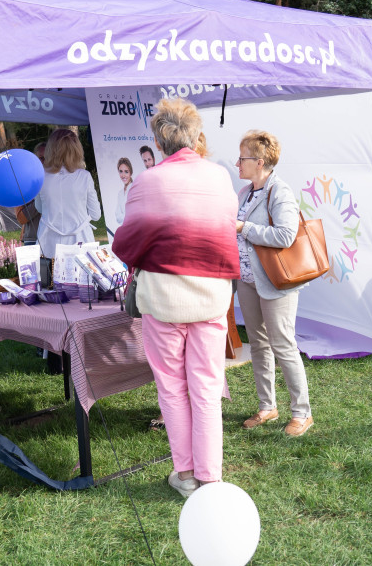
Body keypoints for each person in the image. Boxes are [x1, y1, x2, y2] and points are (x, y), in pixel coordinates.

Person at [112, 98, 239, 498]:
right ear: (195, 134)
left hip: (165, 299)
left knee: (171, 387)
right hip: (211, 298)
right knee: (206, 386)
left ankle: (185, 475)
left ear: (158, 138)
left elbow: (126, 244)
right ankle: (210, 476)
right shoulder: (219, 177)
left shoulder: (147, 182)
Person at [233, 130, 314, 437]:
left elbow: (285, 235)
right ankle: (267, 406)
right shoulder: (244, 193)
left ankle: (302, 413)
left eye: (242, 158)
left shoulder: (279, 191)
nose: (237, 163)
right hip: (247, 281)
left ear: (260, 161)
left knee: (283, 344)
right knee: (258, 344)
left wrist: (244, 227)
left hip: (275, 281)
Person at [34, 130, 101, 257]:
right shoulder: (84, 177)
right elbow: (96, 215)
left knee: (49, 275)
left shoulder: (41, 177)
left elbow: (39, 208)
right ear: (76, 149)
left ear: (50, 149)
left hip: (49, 241)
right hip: (80, 241)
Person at [15, 141, 46, 244]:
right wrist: (42, 196)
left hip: (56, 238)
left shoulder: (60, 180)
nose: (44, 162)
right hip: (32, 240)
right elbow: (21, 218)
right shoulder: (25, 183)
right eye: (41, 158)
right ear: (35, 160)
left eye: (48, 158)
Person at [115, 157, 134, 226]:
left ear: (130, 173)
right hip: (125, 229)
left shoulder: (135, 189)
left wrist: (124, 217)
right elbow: (117, 216)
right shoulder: (120, 193)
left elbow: (134, 215)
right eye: (121, 171)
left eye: (126, 172)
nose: (123, 175)